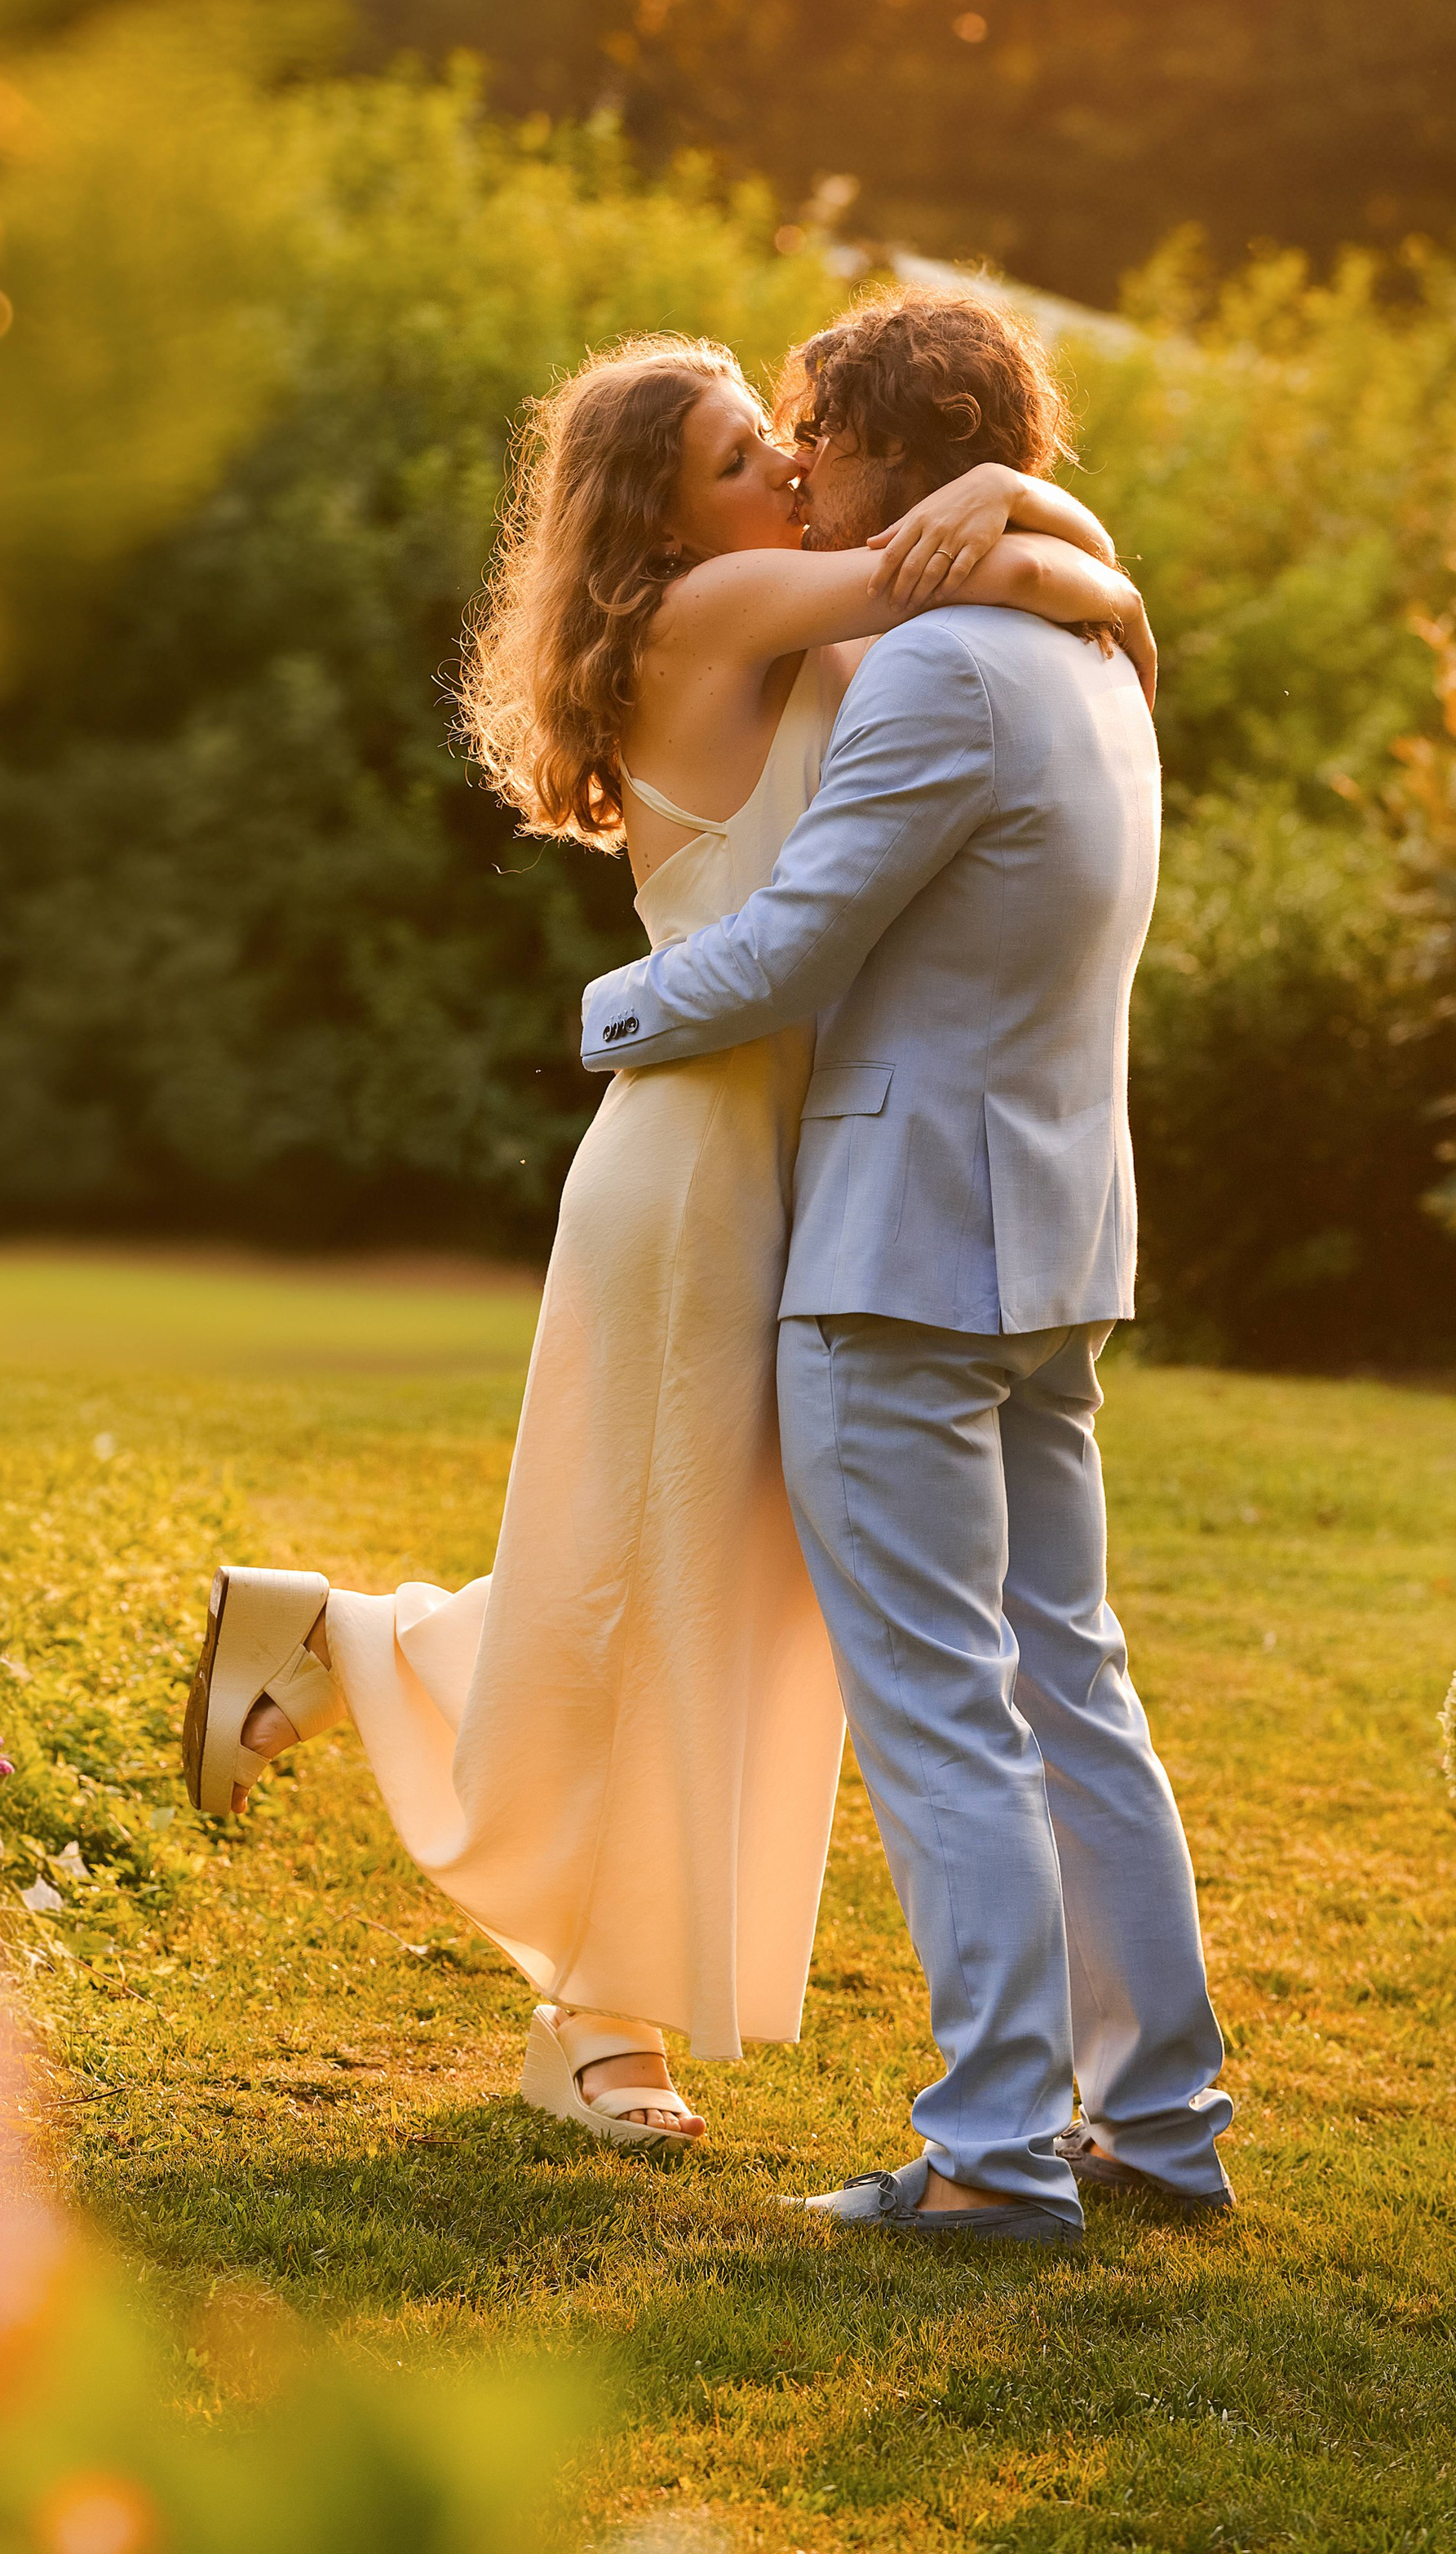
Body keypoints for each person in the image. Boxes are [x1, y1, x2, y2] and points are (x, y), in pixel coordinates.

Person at [180, 315, 1152, 2154]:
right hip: (701, 1160)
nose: (784, 471)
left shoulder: (807, 622)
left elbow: (1016, 584)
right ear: (662, 528)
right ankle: (589, 2010)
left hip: (815, 1160)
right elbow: (1030, 570)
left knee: (715, 1585)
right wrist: (1034, 510)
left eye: (775, 450)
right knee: (658, 1577)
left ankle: (348, 1649)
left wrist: (1035, 527)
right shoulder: (710, 620)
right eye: (736, 461)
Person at [579, 283, 1233, 2239]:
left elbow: (785, 954)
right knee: (1073, 1685)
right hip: (1055, 1242)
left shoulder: (947, 668)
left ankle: (998, 2155)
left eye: (814, 435)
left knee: (944, 1708)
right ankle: (1166, 2123)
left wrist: (601, 1017)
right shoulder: (1093, 660)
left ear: (875, 448)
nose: (799, 467)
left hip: (895, 1259)